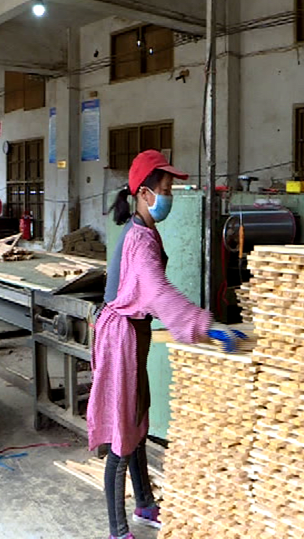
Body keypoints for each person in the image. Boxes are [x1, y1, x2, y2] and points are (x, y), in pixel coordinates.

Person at [88, 150, 244, 539]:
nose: (169, 196)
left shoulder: (145, 230)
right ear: (144, 194)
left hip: (133, 333)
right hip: (121, 337)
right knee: (123, 431)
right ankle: (117, 530)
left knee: (138, 419)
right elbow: (158, 292)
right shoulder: (139, 240)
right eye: (166, 189)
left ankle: (144, 503)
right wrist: (207, 326)